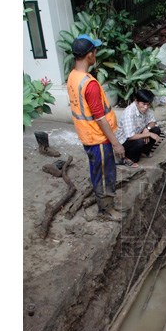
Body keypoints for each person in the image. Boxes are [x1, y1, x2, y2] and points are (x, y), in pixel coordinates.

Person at [67, 34, 124, 220]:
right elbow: (100, 117)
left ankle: (105, 206)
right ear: (89, 55)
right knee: (105, 174)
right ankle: (106, 210)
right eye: (94, 50)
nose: (96, 53)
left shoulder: (73, 77)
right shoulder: (89, 85)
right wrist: (116, 143)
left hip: (87, 136)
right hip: (98, 138)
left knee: (98, 171)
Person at [115, 88, 163, 167]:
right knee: (140, 141)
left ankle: (144, 152)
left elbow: (153, 122)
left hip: (137, 134)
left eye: (148, 104)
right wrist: (149, 134)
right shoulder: (129, 113)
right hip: (124, 141)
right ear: (136, 101)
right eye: (143, 104)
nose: (146, 107)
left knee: (156, 130)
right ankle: (129, 158)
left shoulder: (145, 108)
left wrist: (147, 129)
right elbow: (130, 136)